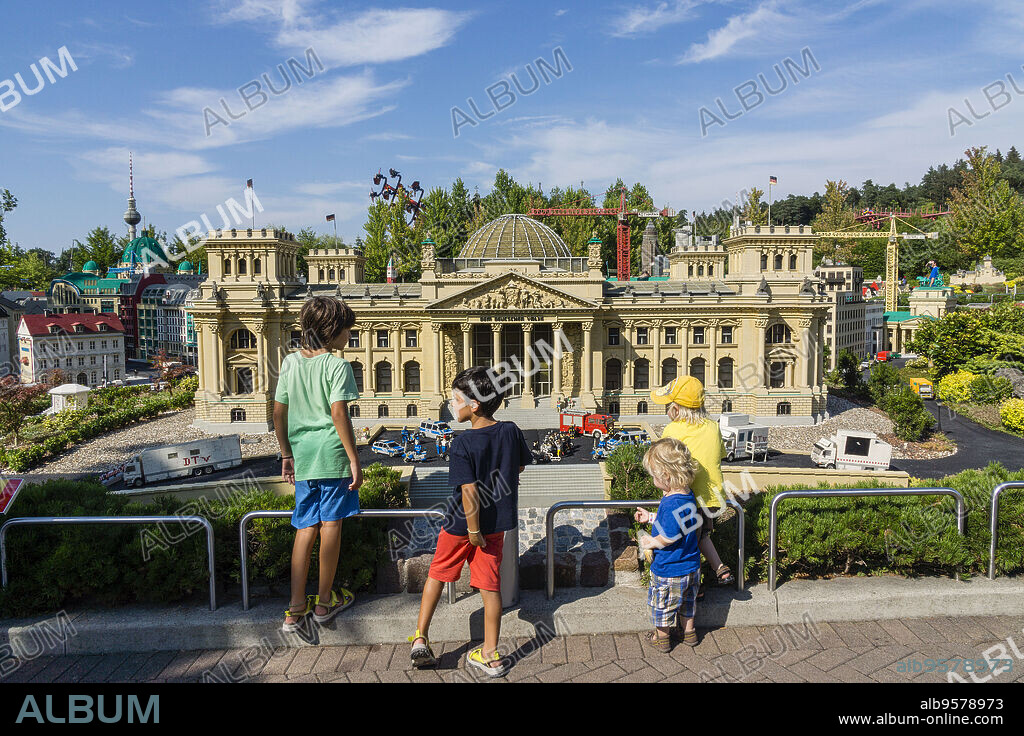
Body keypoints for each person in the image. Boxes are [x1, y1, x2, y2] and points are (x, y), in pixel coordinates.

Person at [409, 367, 531, 677]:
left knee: (438, 573)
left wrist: (473, 530)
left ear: (473, 405)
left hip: (463, 524)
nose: (452, 404)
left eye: (455, 399)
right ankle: (490, 655)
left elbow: (469, 490)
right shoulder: (511, 430)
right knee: (491, 587)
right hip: (497, 523)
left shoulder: (462, 443)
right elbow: (518, 467)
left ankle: (421, 637)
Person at [274, 296, 361, 632]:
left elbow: (278, 412)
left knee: (304, 528)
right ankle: (324, 603)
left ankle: (295, 609)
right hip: (332, 454)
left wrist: (286, 454)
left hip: (303, 457)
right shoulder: (337, 366)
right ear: (333, 330)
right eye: (348, 331)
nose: (350, 337)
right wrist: (354, 459)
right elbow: (339, 413)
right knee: (331, 527)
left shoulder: (290, 363)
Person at [651, 376, 735, 599]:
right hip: (713, 498)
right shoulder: (713, 427)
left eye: (667, 407)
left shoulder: (672, 430)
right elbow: (719, 456)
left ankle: (694, 586)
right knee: (701, 535)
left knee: (687, 544)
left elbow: (664, 465)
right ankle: (719, 568)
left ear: (676, 409)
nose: (666, 411)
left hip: (686, 498)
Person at [634, 438, 702, 650]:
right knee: (688, 603)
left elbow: (670, 536)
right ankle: (689, 633)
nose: (653, 478)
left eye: (654, 475)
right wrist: (652, 518)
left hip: (669, 569)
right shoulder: (687, 495)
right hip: (691, 566)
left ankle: (661, 639)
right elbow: (679, 524)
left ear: (666, 476)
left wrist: (651, 542)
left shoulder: (671, 501)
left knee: (662, 606)